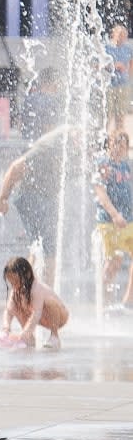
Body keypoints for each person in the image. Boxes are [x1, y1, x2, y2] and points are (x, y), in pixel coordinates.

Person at [0, 125, 83, 288]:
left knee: (39, 248)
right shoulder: (49, 145)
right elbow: (16, 167)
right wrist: (2, 198)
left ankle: (24, 292)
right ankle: (44, 295)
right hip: (32, 197)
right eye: (79, 136)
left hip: (42, 198)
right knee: (48, 248)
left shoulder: (68, 150)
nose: (82, 141)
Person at [94, 131, 133, 308]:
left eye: (123, 145)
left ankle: (128, 300)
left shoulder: (127, 166)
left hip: (129, 221)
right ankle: (102, 302)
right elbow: (100, 193)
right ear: (109, 144)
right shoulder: (104, 165)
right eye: (116, 144)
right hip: (109, 222)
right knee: (114, 262)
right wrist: (115, 215)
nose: (119, 148)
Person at [0, 256, 69, 350]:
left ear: (27, 275)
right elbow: (9, 311)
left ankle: (54, 337)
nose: (14, 286)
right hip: (41, 317)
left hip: (59, 317)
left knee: (49, 302)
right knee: (16, 303)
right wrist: (6, 328)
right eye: (11, 283)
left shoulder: (37, 288)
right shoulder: (16, 290)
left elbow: (36, 314)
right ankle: (30, 339)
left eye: (16, 281)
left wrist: (23, 334)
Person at [107, 25, 133, 129]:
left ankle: (118, 137)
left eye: (124, 35)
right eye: (120, 34)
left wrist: (128, 77)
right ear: (114, 34)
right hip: (109, 85)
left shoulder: (128, 49)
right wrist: (113, 66)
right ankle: (105, 139)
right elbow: (98, 64)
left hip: (124, 85)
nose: (122, 37)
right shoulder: (107, 48)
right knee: (107, 113)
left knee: (121, 114)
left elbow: (131, 64)